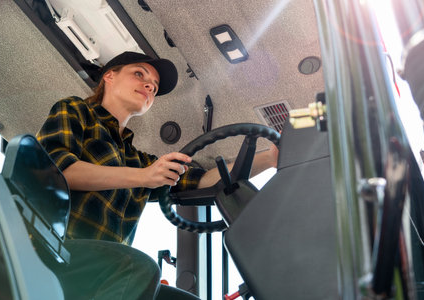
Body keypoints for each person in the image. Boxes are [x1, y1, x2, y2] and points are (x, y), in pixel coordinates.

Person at [36, 51, 278, 300]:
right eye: (139, 74)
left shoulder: (137, 161)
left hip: (104, 272)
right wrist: (144, 177)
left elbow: (203, 181)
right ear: (109, 76)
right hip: (53, 252)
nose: (150, 85)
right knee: (137, 266)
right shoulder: (75, 110)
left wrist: (270, 158)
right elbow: (56, 171)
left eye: (155, 85)